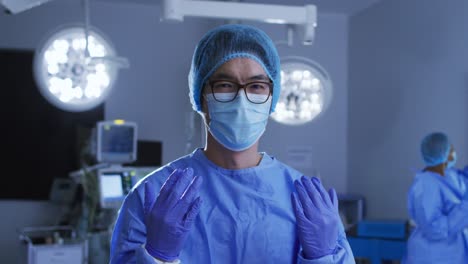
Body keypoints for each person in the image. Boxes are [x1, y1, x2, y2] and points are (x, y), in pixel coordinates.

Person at [109, 24, 355, 264]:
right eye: (225, 85)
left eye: (257, 86)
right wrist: (157, 257)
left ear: (272, 98)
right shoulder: (153, 196)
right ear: (200, 96)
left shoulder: (307, 202)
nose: (241, 99)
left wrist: (323, 258)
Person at [404, 132, 468, 263]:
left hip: (452, 253)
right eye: (451, 148)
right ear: (444, 153)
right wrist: (465, 208)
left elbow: (461, 182)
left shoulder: (447, 175)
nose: (454, 152)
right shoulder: (425, 185)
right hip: (434, 256)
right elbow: (435, 228)